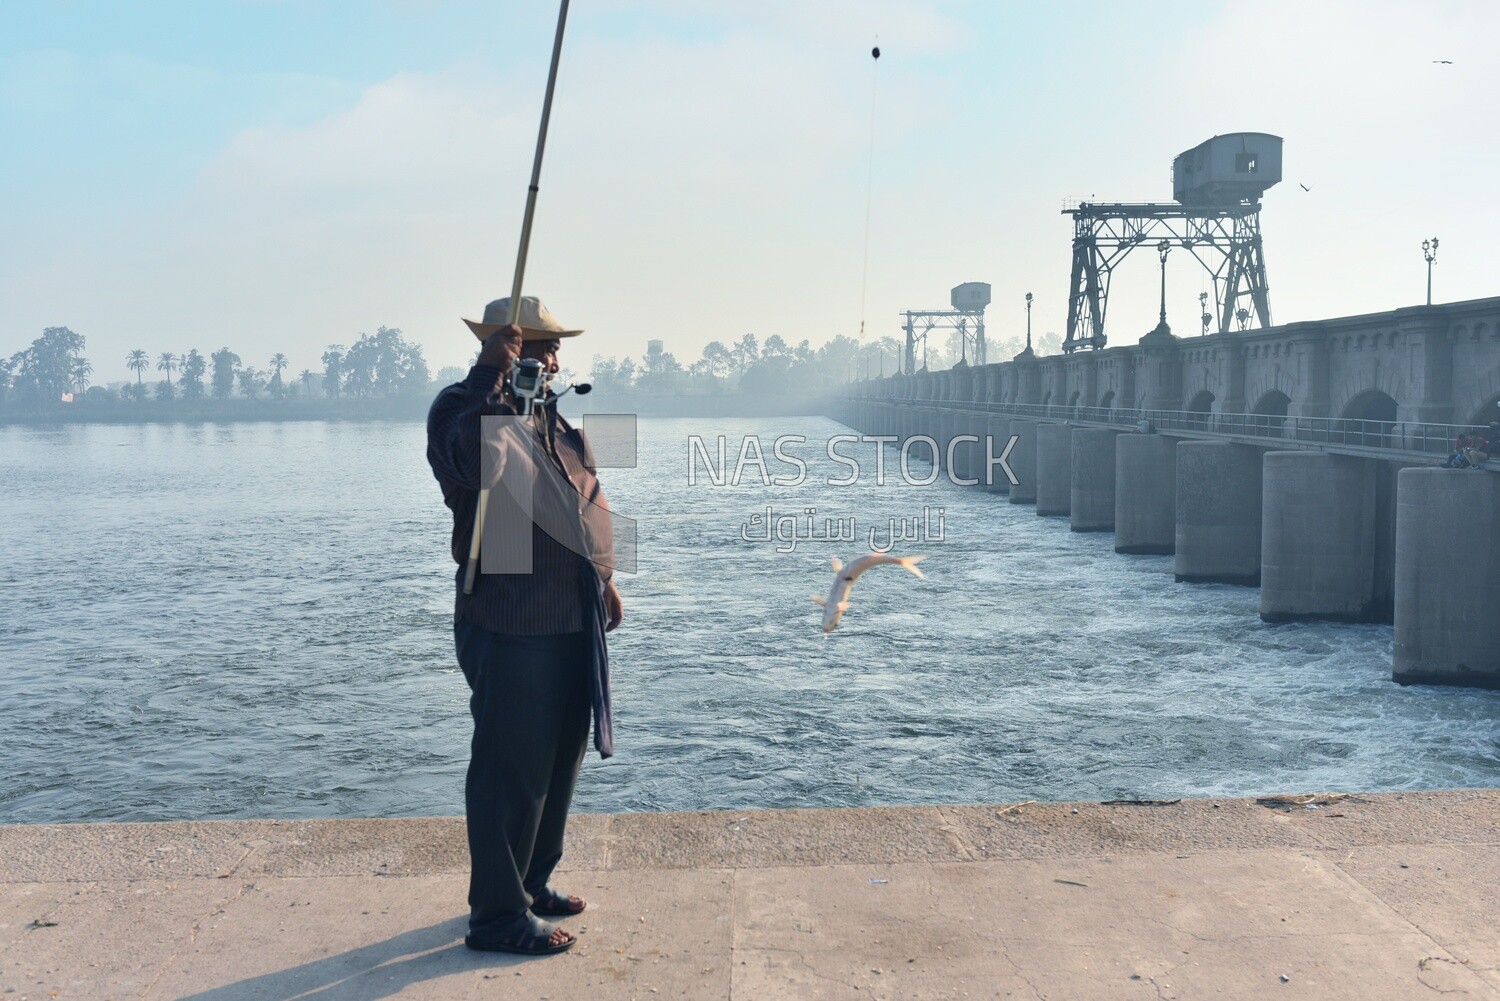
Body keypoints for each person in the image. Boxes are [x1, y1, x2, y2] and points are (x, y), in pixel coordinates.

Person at [426, 296, 623, 956]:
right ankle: (497, 916)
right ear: (501, 349)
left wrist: (604, 576)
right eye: (535, 347)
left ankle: (531, 880)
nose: (551, 358)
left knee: (558, 758)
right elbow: (476, 470)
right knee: (510, 765)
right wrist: (493, 384)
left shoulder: (555, 419)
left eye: (551, 347)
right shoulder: (465, 408)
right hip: (511, 619)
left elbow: (581, 500)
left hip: (572, 613)